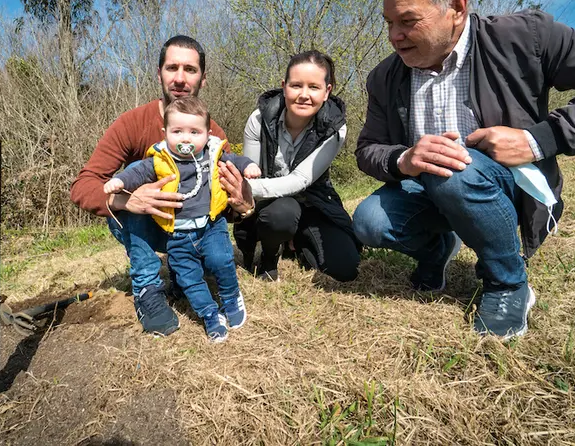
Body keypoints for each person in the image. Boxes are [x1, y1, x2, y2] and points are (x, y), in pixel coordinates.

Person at [352, 0, 575, 339]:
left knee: (457, 172)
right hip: (426, 190)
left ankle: (508, 283)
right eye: (389, 24)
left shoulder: (526, 38)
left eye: (407, 22)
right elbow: (368, 148)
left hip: (506, 186)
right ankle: (436, 249)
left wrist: (540, 139)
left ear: (457, 7)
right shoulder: (384, 76)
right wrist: (404, 157)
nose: (393, 37)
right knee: (370, 221)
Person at [70, 35, 257, 337]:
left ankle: (185, 274)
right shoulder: (132, 122)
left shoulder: (209, 134)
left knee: (211, 257)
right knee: (136, 170)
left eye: (190, 69)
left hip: (195, 226)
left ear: (203, 78)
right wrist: (125, 201)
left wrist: (244, 206)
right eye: (172, 68)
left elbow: (225, 203)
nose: (180, 78)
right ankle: (147, 289)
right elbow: (83, 185)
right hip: (145, 223)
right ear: (159, 74)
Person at [104, 97, 261, 342]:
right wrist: (121, 181)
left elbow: (235, 160)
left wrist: (248, 166)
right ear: (165, 133)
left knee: (221, 260)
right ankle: (209, 314)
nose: (186, 138)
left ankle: (230, 297)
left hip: (211, 227)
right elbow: (137, 171)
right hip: (177, 235)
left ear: (207, 134)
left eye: (194, 132)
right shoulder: (160, 159)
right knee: (189, 280)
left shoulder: (212, 153)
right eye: (178, 131)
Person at [232, 50, 362, 283]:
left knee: (345, 268)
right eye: (296, 86)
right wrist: (243, 190)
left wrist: (246, 188)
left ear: (327, 92)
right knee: (281, 215)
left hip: (314, 202)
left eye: (314, 87)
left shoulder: (335, 129)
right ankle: (269, 256)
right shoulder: (258, 120)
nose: (304, 95)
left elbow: (302, 179)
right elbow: (250, 172)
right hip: (273, 204)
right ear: (284, 87)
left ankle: (297, 242)